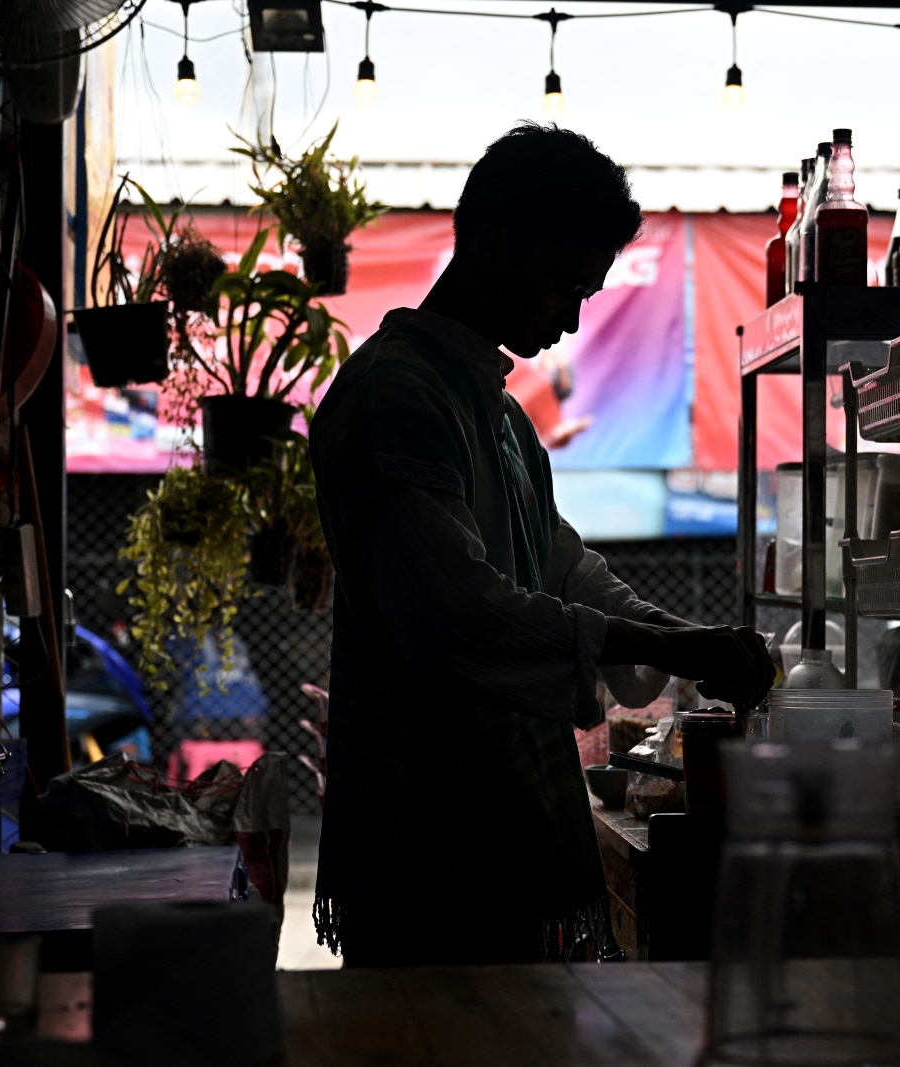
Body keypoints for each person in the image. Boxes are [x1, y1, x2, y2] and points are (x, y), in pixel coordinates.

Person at [306, 124, 774, 967]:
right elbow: (459, 617)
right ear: (493, 246)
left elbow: (563, 569)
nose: (575, 318)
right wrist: (674, 645)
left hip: (503, 822)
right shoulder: (395, 396)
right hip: (425, 844)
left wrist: (685, 637)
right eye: (565, 286)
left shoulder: (502, 416)